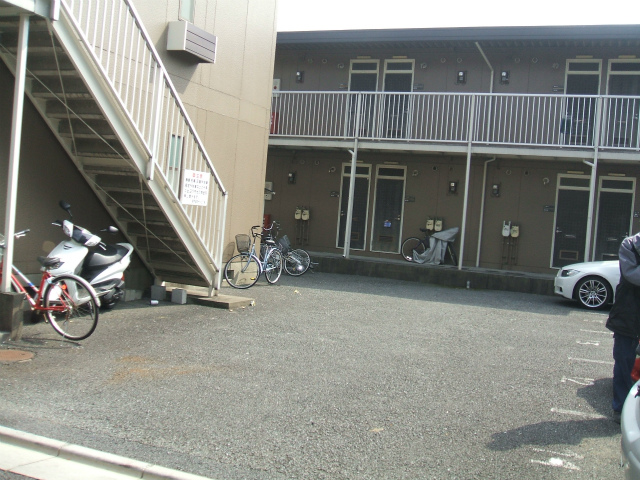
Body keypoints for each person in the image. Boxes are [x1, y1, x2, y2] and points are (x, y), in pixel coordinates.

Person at [606, 232, 640, 423]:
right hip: (628, 312)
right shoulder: (631, 244)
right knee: (624, 361)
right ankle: (621, 408)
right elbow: (632, 274)